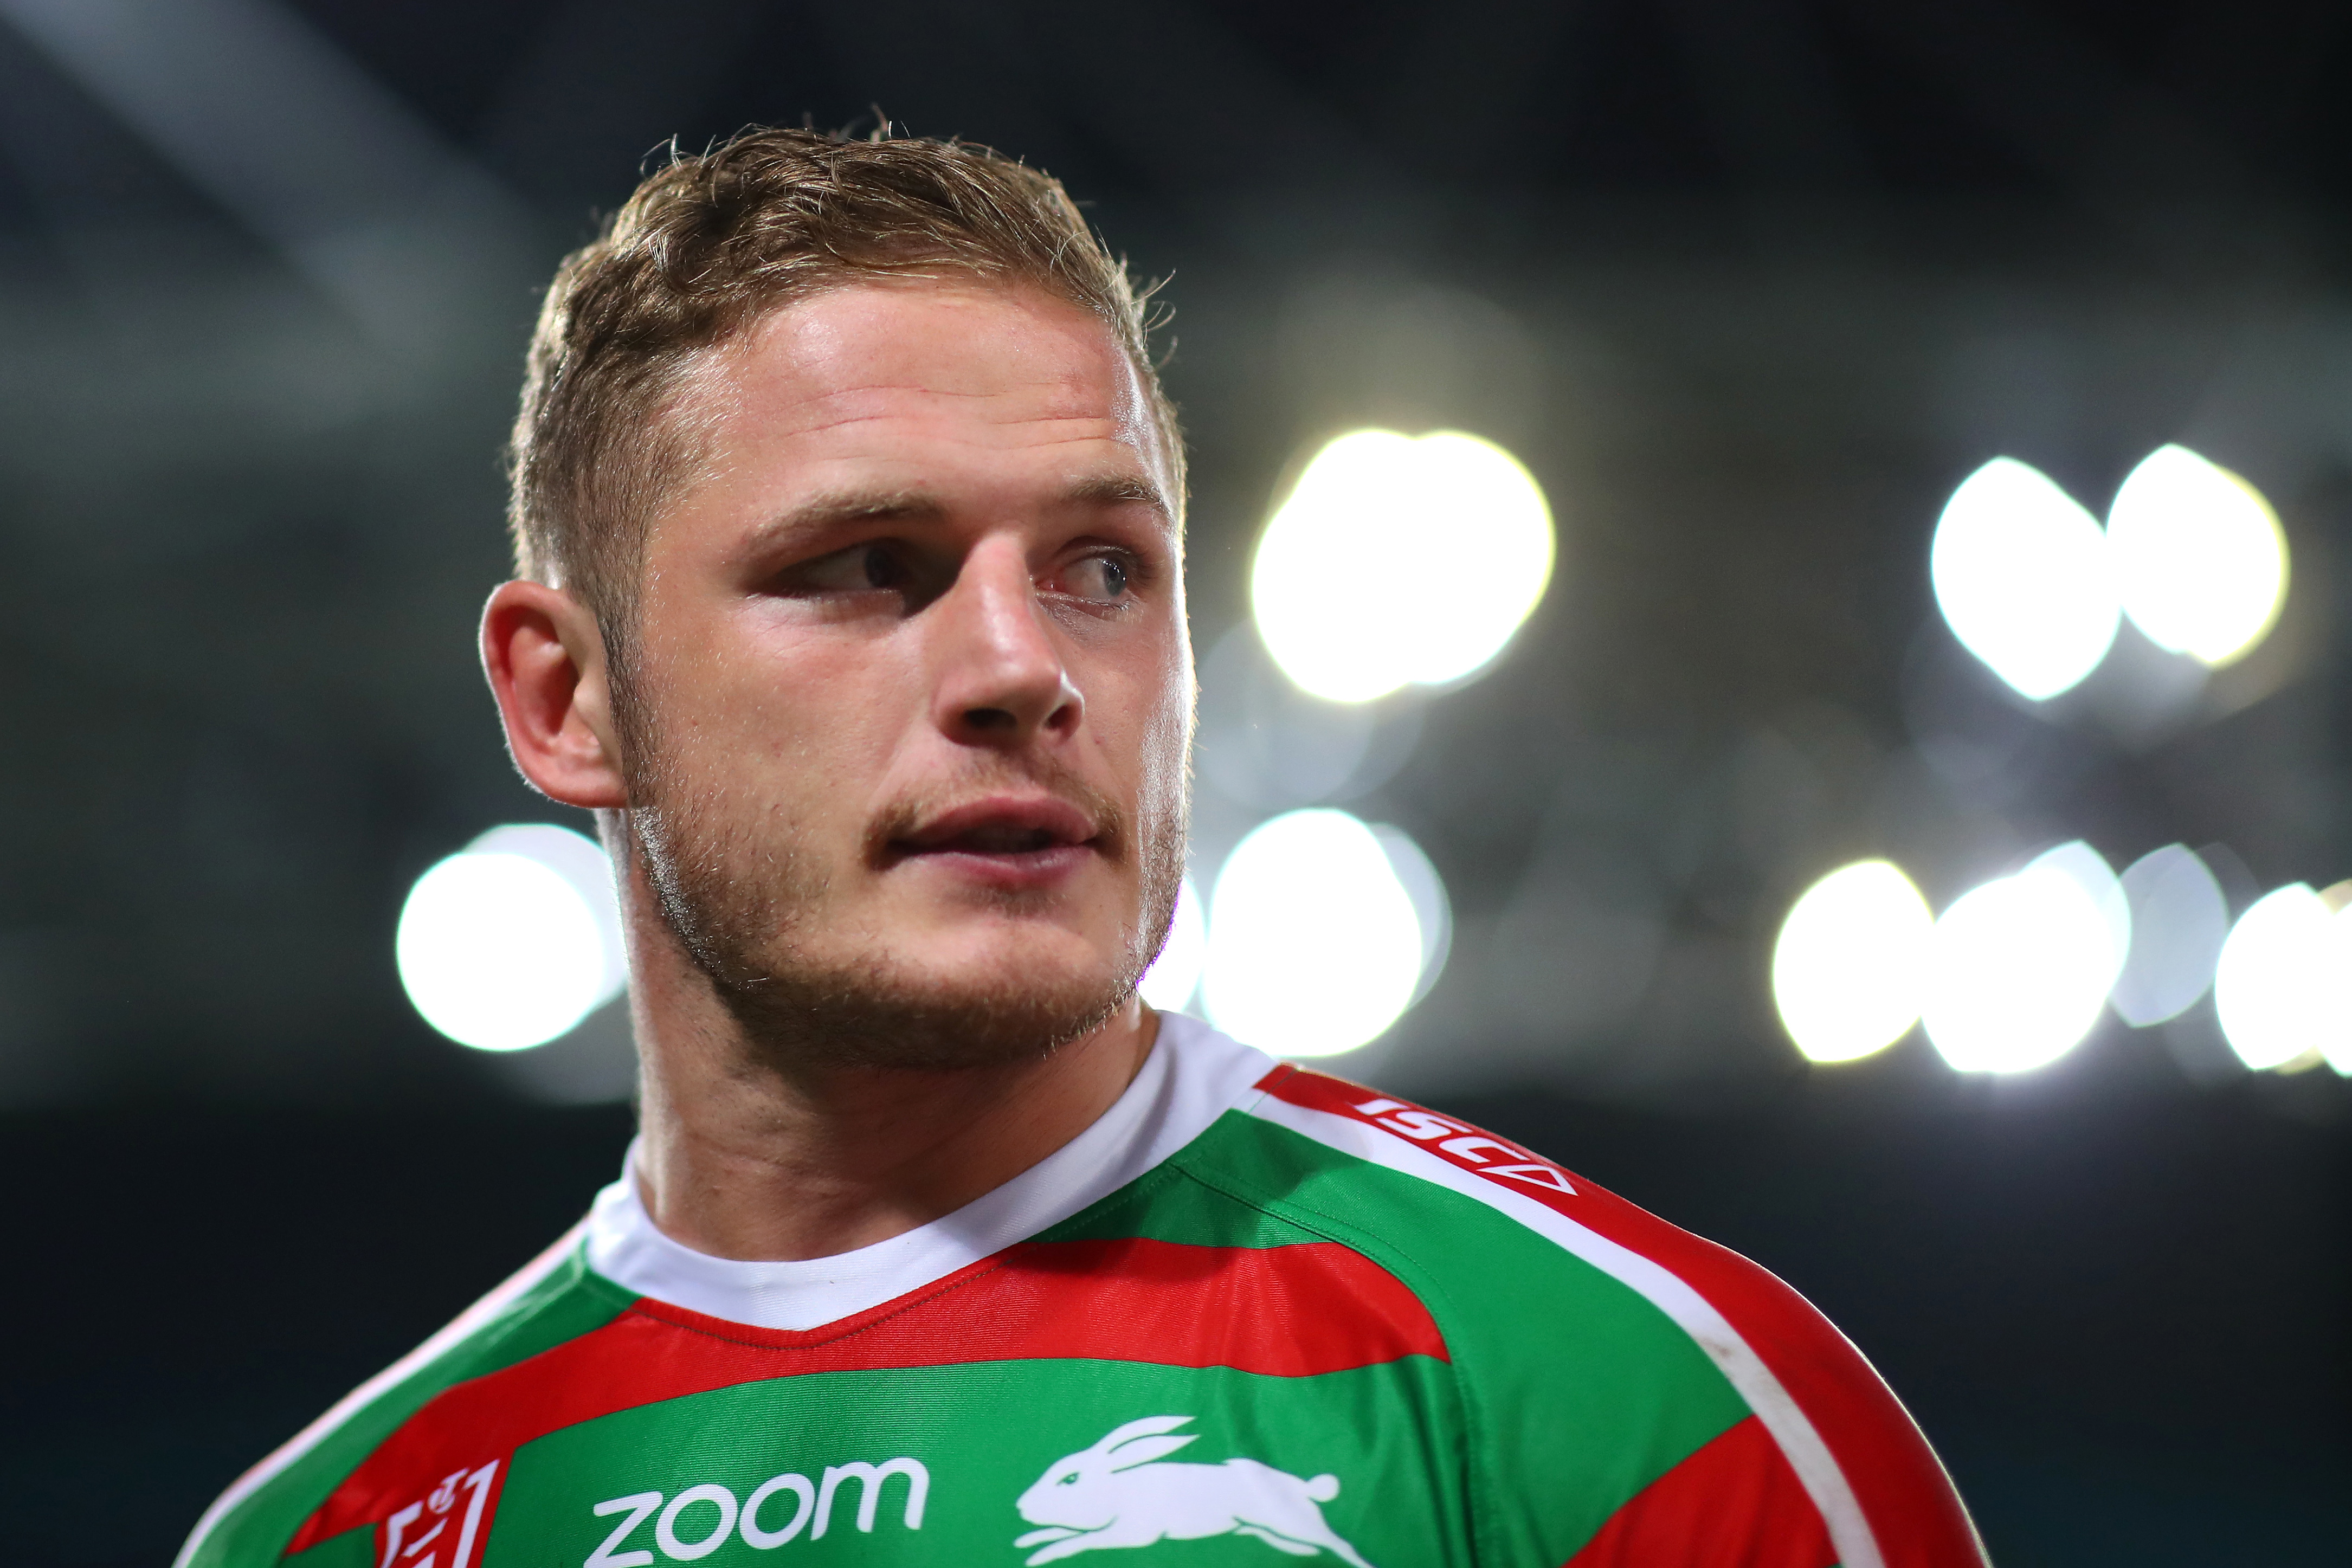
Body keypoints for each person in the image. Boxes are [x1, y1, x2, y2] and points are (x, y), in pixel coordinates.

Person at [177, 127, 1984, 1568]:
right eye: (866, 567)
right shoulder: (318, 1538)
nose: (1022, 669)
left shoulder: (1620, 1403)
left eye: (1100, 568)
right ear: (567, 700)